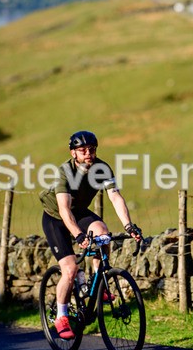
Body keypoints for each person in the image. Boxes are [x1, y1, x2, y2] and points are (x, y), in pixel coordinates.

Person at [39, 131, 142, 339]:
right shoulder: (65, 172)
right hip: (55, 218)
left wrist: (129, 226)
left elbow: (115, 197)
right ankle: (61, 316)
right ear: (73, 153)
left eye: (92, 149)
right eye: (83, 150)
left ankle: (98, 282)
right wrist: (78, 235)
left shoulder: (102, 168)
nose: (88, 153)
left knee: (103, 233)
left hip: (79, 212)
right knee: (70, 269)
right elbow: (64, 210)